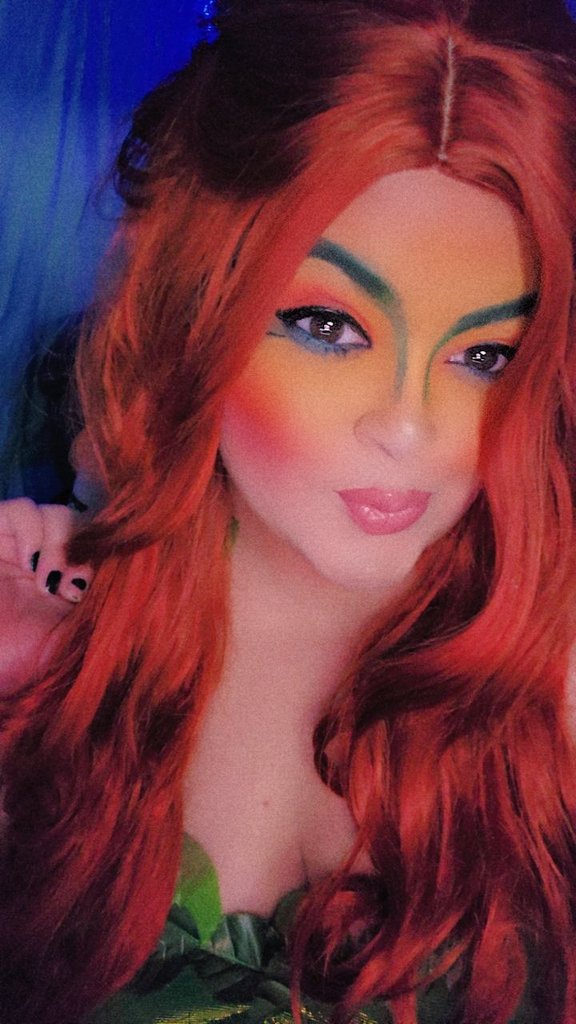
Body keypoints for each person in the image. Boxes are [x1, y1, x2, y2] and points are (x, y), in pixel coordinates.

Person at [1, 2, 576, 1022]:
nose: (408, 426)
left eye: (485, 354)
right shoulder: (49, 644)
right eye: (327, 326)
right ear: (193, 302)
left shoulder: (548, 697)